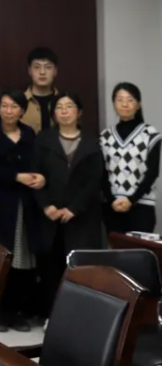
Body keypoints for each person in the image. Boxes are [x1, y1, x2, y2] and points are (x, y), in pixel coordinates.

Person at [0, 89, 44, 332]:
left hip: (24, 205)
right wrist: (16, 176)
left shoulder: (29, 134)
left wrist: (38, 178)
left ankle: (17, 312)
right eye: (4, 105)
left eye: (14, 106)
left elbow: (36, 164)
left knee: (22, 261)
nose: (9, 111)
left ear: (22, 110)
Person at [32, 92, 104, 316]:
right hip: (50, 216)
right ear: (53, 113)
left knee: (81, 268)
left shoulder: (92, 142)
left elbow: (95, 180)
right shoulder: (43, 140)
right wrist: (46, 206)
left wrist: (74, 208)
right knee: (50, 269)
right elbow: (35, 176)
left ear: (79, 112)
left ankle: (80, 315)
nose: (64, 111)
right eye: (59, 107)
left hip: (82, 216)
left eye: (69, 106)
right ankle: (51, 315)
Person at [101, 82, 160, 234]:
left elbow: (153, 172)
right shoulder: (105, 136)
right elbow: (102, 173)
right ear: (114, 104)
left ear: (138, 105)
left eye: (130, 100)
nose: (125, 104)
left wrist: (131, 200)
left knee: (139, 249)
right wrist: (111, 200)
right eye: (120, 100)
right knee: (116, 249)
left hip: (142, 206)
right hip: (112, 205)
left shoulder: (150, 134)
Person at [21, 47, 61, 133]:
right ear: (29, 71)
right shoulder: (18, 102)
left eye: (48, 67)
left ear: (55, 71)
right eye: (36, 67)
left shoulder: (64, 102)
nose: (42, 72)